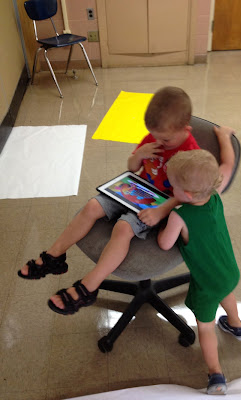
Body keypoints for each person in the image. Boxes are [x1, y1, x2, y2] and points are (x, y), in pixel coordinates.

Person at [17, 86, 200, 313]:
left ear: (186, 128)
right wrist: (138, 155)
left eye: (166, 139)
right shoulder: (153, 139)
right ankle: (55, 256)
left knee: (123, 228)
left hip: (161, 204)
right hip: (136, 189)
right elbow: (133, 168)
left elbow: (190, 195)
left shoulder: (191, 153)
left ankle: (88, 287)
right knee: (93, 206)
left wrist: (162, 211)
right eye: (155, 136)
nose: (159, 142)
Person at [157, 144, 241, 395]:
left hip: (206, 284)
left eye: (172, 186)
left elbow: (165, 244)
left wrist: (165, 219)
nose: (170, 191)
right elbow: (227, 166)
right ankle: (236, 325)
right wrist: (224, 137)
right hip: (229, 271)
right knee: (226, 292)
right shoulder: (215, 196)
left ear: (185, 193)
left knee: (205, 327)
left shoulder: (180, 215)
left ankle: (215, 373)